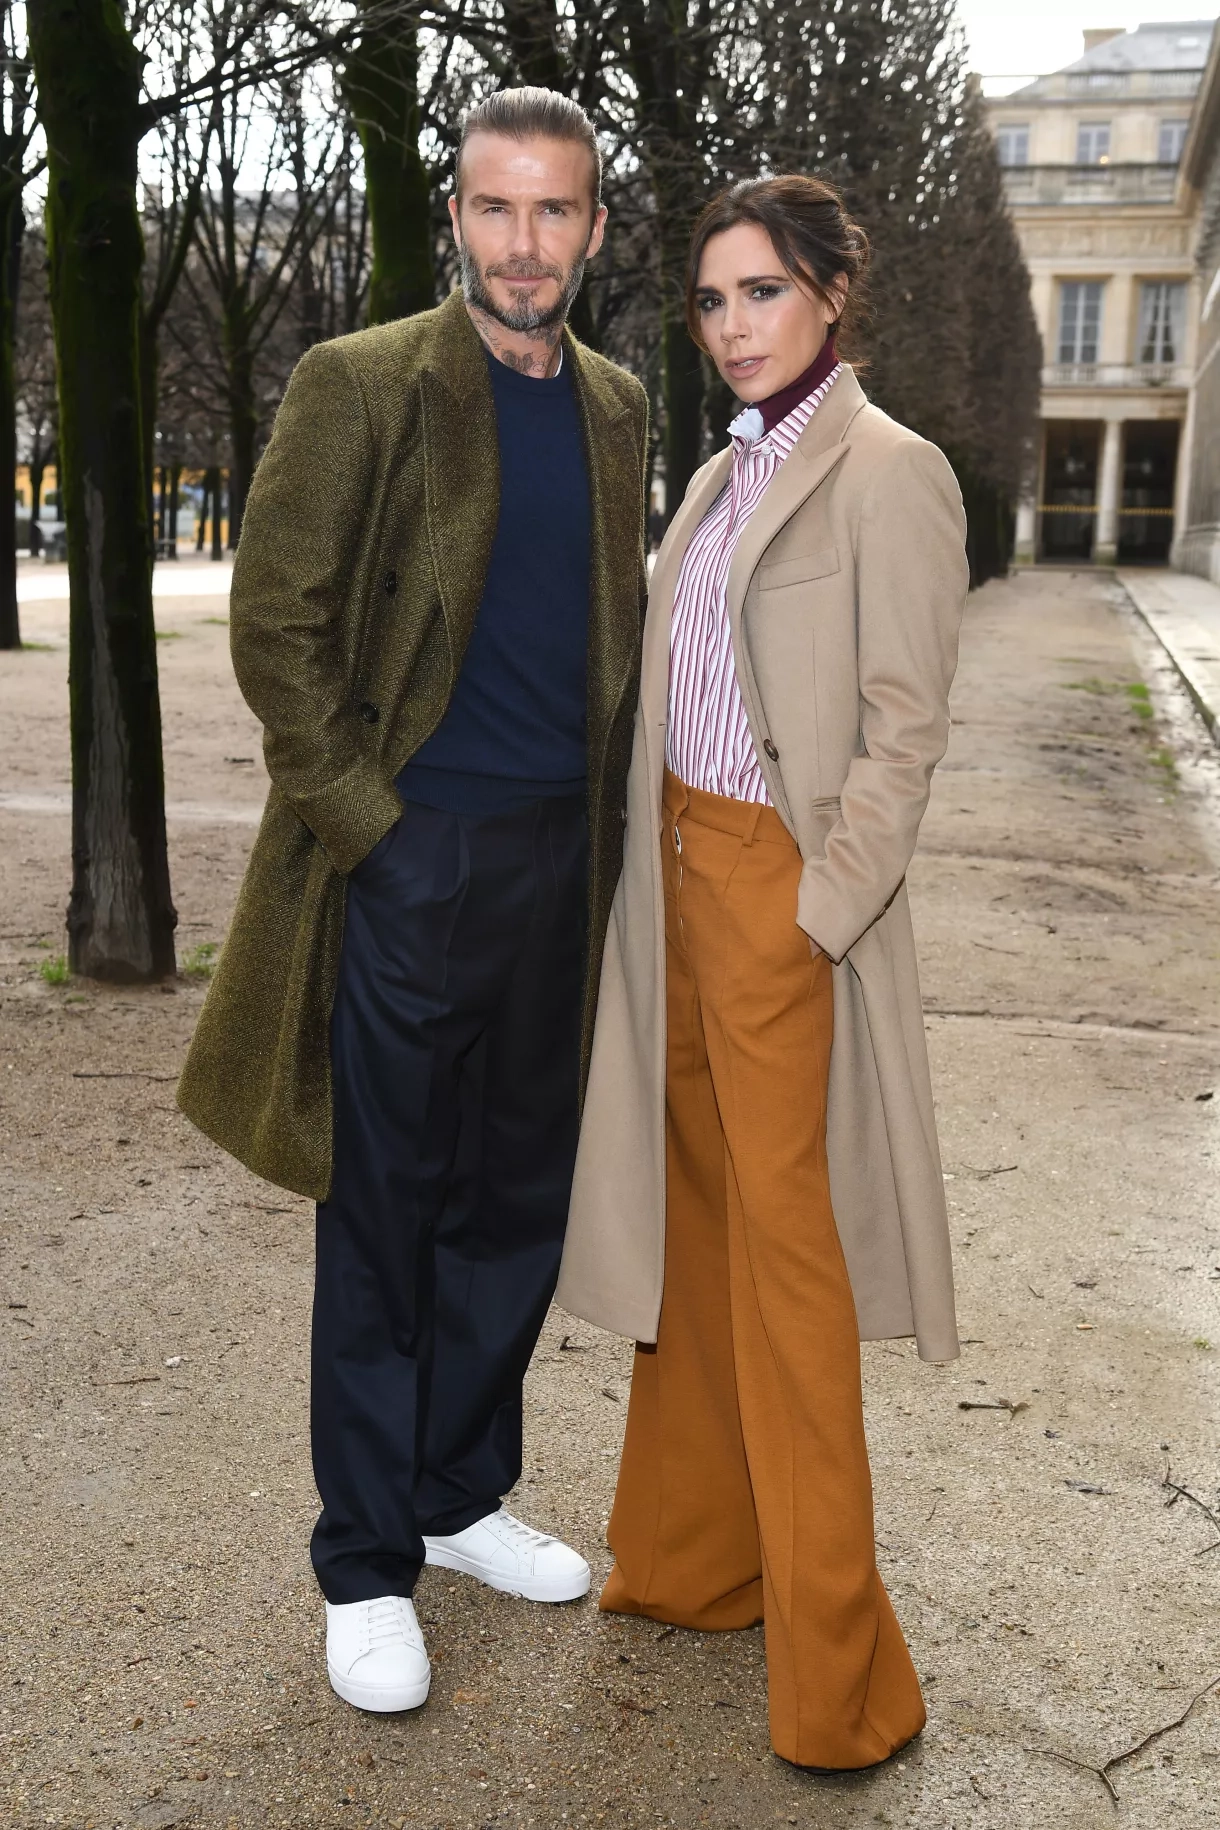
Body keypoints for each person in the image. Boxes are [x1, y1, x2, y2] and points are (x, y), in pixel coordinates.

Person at [176, 88, 649, 1715]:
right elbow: (276, 623)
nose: (525, 242)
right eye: (496, 208)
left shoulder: (617, 405)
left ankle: (456, 1494)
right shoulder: (361, 380)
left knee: (515, 1205)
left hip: (559, 864)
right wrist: (376, 834)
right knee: (384, 1215)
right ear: (456, 216)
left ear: (594, 226)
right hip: (413, 856)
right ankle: (367, 1559)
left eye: (554, 209)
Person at [556, 174, 969, 1770]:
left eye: (766, 292)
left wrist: (817, 910)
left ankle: (845, 1684)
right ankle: (693, 1563)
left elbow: (903, 731)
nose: (734, 325)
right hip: (673, 887)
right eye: (715, 299)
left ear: (833, 294)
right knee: (697, 1244)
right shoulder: (725, 473)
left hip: (777, 905)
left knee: (791, 1283)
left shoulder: (891, 471)